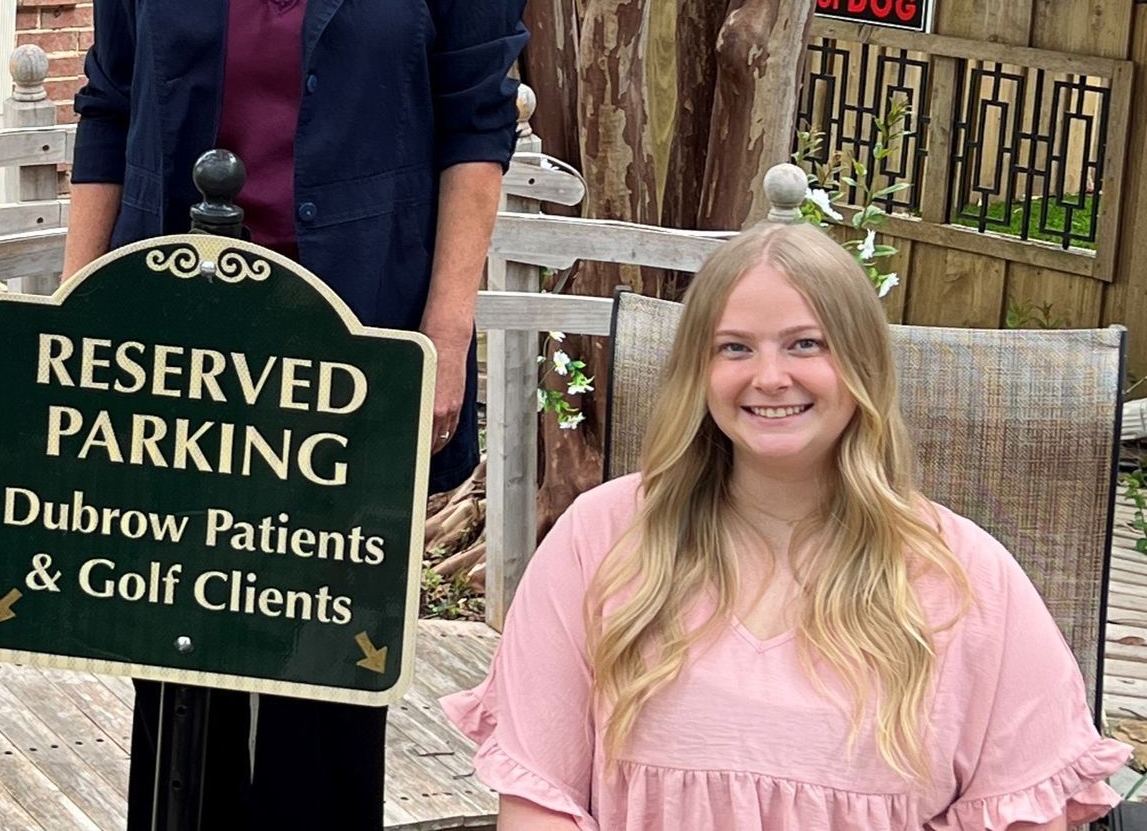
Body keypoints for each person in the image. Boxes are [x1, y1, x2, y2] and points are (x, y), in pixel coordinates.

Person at [65, 0, 533, 828]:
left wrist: (444, 333)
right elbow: (110, 104)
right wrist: (77, 311)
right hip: (177, 337)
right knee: (179, 665)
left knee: (328, 674)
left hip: (352, 338)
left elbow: (473, 125)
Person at [444, 222, 1132, 830]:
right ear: (697, 371)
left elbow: (1025, 818)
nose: (770, 376)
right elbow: (540, 801)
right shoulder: (602, 541)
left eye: (806, 343)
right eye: (735, 347)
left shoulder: (967, 578)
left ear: (861, 364)